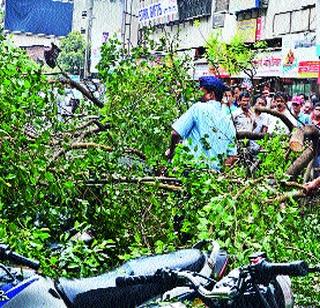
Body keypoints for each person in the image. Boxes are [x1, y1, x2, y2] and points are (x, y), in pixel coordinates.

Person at [165, 76, 237, 170]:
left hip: (190, 170)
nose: (198, 95)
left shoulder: (198, 108)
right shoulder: (228, 120)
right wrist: (219, 175)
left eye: (201, 91)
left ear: (211, 94)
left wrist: (171, 151)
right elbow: (232, 156)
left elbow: (175, 133)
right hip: (212, 179)